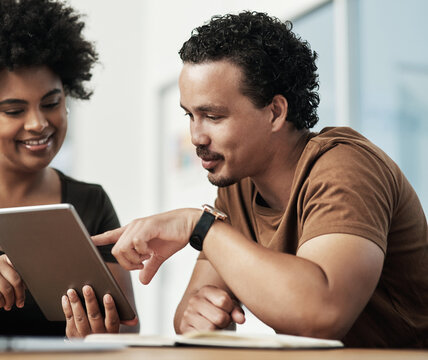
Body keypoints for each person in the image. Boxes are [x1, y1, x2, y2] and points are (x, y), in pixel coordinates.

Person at [93, 11, 428, 347]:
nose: (196, 136)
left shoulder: (346, 167)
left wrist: (197, 225)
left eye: (212, 116)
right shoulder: (238, 186)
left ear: (275, 112)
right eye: (190, 115)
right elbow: (188, 316)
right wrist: (198, 315)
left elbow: (321, 316)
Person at [0, 0, 138, 338]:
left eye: (52, 103)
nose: (39, 123)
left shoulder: (91, 202)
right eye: (14, 110)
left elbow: (127, 328)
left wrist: (99, 336)